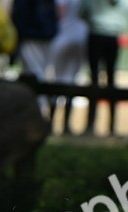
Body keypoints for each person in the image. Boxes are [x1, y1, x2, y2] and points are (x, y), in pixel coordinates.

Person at [80, 0, 128, 135]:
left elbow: (82, 12)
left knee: (94, 80)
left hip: (95, 35)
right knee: (111, 80)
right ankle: (112, 126)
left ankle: (90, 125)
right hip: (113, 36)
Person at [48, 0, 88, 134]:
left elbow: (60, 11)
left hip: (62, 37)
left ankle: (51, 122)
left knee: (57, 80)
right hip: (82, 38)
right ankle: (66, 125)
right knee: (72, 81)